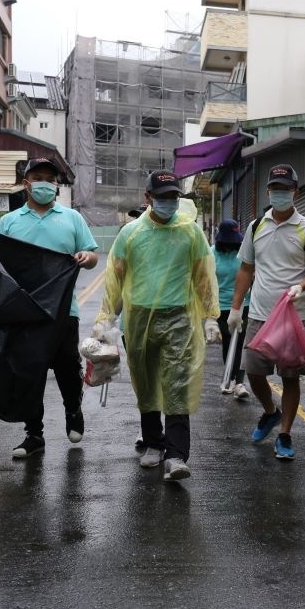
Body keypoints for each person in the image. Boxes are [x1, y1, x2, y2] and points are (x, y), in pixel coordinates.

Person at [96, 171, 220, 478]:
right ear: (147, 198)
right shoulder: (131, 233)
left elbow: (203, 277)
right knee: (147, 382)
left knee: (177, 383)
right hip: (138, 319)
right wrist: (106, 318)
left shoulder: (190, 233)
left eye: (172, 197)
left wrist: (209, 317)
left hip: (178, 318)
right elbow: (115, 278)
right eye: (162, 196)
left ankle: (176, 456)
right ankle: (153, 442)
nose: (168, 202)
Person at [0, 157, 99, 459]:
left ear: (56, 186)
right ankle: (34, 433)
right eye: (38, 177)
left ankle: (73, 411)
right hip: (23, 311)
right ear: (26, 183)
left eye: (50, 179)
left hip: (62, 310)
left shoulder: (71, 218)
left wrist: (85, 255)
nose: (45, 183)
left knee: (68, 366)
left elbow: (93, 255)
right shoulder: (10, 221)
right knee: (29, 371)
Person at [228, 164, 305, 461]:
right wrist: (236, 307)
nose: (279, 193)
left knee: (290, 377)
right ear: (269, 191)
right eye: (275, 189)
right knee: (255, 372)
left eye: (285, 189)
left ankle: (284, 434)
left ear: (295, 192)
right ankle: (271, 411)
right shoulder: (256, 226)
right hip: (259, 312)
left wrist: (301, 286)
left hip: (293, 316)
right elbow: (246, 268)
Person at [212, 218, 249, 399]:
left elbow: (251, 274)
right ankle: (229, 378)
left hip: (243, 304)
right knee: (228, 341)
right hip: (221, 306)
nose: (232, 245)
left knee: (241, 342)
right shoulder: (211, 255)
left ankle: (239, 382)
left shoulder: (243, 255)